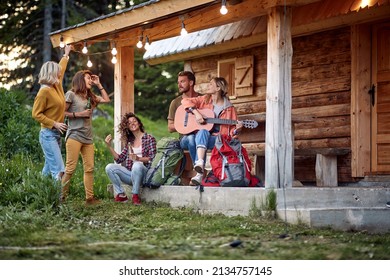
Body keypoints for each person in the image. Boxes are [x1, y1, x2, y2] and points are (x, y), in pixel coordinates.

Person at [61, 70, 110, 205]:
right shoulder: (71, 95)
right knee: (70, 168)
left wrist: (99, 84)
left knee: (89, 169)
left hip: (88, 138)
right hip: (74, 136)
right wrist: (79, 114)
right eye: (88, 78)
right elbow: (62, 112)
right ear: (80, 80)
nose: (90, 81)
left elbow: (106, 99)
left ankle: (89, 198)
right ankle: (61, 197)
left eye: (90, 78)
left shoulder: (91, 98)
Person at [181, 77, 243, 185]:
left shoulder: (229, 108)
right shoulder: (205, 100)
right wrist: (196, 113)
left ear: (218, 88)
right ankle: (200, 167)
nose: (208, 86)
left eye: (211, 84)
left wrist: (237, 130)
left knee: (200, 137)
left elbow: (232, 133)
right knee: (203, 132)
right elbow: (185, 101)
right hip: (202, 137)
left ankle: (199, 171)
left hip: (218, 140)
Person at [32, 44, 72, 181]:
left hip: (55, 135)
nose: (60, 73)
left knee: (48, 169)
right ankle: (56, 201)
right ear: (51, 74)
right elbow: (36, 114)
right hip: (47, 135)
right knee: (59, 170)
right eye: (57, 72)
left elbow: (62, 67)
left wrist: (66, 54)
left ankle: (38, 194)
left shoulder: (56, 85)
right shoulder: (44, 92)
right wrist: (54, 123)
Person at [105, 112, 157, 205]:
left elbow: (152, 158)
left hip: (144, 174)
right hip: (131, 175)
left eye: (134, 121)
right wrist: (109, 146)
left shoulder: (149, 138)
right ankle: (121, 195)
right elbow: (119, 159)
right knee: (109, 167)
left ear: (139, 123)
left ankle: (135, 195)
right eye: (129, 123)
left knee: (137, 165)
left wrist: (138, 158)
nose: (132, 123)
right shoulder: (130, 142)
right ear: (128, 127)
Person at [167, 71, 200, 163]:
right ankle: (197, 167)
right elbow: (170, 127)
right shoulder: (176, 102)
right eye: (178, 82)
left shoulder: (202, 99)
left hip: (202, 136)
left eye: (182, 82)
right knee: (191, 138)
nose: (179, 85)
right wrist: (188, 125)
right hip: (185, 139)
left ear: (191, 83)